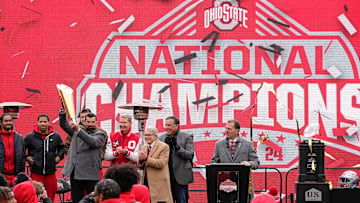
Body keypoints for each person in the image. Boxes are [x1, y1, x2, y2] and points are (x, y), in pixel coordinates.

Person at [59, 109, 106, 203]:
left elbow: (93, 142)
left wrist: (78, 130)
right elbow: (64, 126)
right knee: (76, 200)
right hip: (76, 174)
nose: (90, 124)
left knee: (93, 200)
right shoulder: (78, 131)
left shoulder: (101, 134)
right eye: (88, 122)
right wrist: (63, 113)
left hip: (91, 175)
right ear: (84, 122)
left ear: (96, 122)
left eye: (93, 122)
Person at [211, 119, 260, 202]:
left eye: (229, 129)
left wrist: (248, 163)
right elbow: (213, 162)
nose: (226, 131)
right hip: (224, 189)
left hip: (242, 186)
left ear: (237, 131)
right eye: (226, 128)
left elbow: (256, 163)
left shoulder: (248, 144)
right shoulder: (219, 144)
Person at [24, 114, 65, 201]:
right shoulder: (30, 137)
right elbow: (21, 149)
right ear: (37, 123)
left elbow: (62, 148)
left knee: (50, 196)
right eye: (41, 122)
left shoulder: (56, 136)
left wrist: (59, 157)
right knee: (35, 197)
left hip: (51, 173)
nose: (43, 124)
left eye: (45, 122)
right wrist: (27, 158)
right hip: (36, 172)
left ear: (48, 123)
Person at [64, 108, 108, 178]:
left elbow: (103, 148)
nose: (84, 119)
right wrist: (75, 158)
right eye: (82, 117)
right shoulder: (74, 131)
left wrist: (98, 157)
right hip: (78, 168)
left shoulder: (101, 133)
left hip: (94, 167)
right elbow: (67, 147)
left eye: (85, 117)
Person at [159, 116, 194, 203]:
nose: (167, 127)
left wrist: (177, 148)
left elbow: (190, 155)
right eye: (166, 125)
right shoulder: (161, 138)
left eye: (169, 125)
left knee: (181, 200)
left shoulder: (187, 137)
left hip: (180, 176)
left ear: (176, 126)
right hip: (166, 177)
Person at [139, 127, 172, 203]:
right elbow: (140, 166)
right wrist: (140, 161)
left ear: (156, 136)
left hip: (159, 183)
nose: (146, 137)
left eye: (149, 135)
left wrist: (146, 159)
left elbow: (160, 163)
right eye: (145, 135)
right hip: (146, 182)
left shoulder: (164, 147)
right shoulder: (144, 147)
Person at [0, 113, 25, 187]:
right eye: (6, 121)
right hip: (1, 178)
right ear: (1, 123)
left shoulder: (19, 137)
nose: (8, 123)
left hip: (15, 179)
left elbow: (22, 157)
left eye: (10, 121)